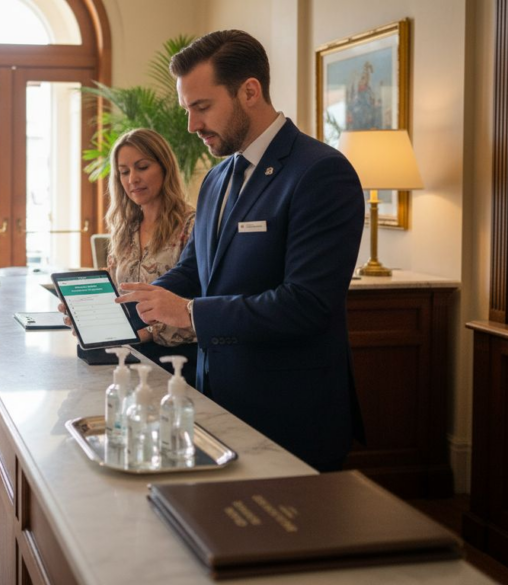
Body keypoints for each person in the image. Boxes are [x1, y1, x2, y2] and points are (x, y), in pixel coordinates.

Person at [115, 30, 365, 472]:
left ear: (250, 91)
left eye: (202, 106)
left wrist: (190, 314)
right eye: (186, 109)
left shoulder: (321, 173)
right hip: (215, 401)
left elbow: (306, 305)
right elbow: (195, 269)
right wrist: (120, 309)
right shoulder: (216, 179)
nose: (192, 125)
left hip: (289, 413)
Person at [103, 129, 198, 387]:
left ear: (164, 167)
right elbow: (117, 297)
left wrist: (145, 332)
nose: (133, 179)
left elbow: (202, 304)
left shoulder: (193, 225)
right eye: (124, 172)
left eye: (142, 167)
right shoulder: (124, 230)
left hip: (178, 365)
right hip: (128, 355)